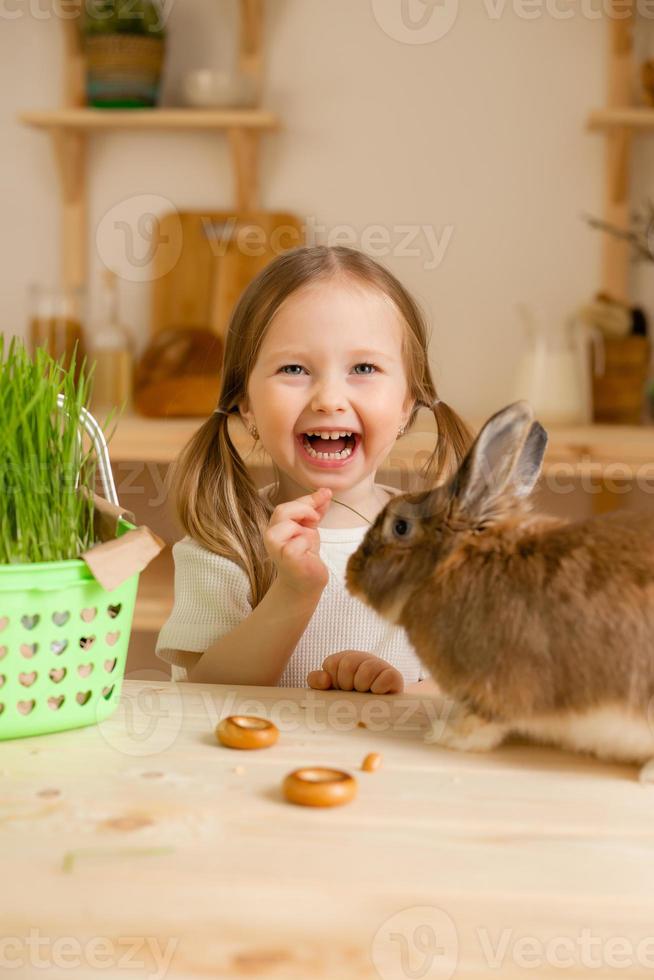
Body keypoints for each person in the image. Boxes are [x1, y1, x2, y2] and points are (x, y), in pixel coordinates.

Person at [155, 245, 472, 693]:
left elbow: (472, 685)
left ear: (406, 403)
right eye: (294, 368)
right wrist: (293, 592)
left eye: (363, 367)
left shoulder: (443, 544)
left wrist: (395, 692)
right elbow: (203, 692)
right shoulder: (224, 544)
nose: (328, 398)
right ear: (246, 405)